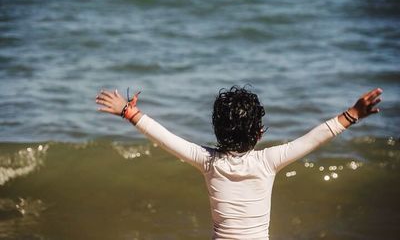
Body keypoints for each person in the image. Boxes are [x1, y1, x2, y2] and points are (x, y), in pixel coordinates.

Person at [95, 86, 382, 240]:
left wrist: (130, 113)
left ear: (217, 130)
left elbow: (166, 138)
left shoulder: (207, 160)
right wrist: (352, 114)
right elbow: (312, 139)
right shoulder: (268, 161)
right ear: (258, 133)